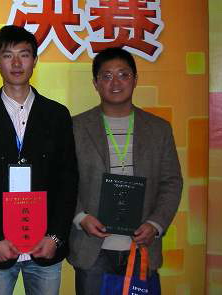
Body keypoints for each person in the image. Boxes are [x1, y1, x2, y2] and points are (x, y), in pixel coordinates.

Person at [0, 25, 78, 295]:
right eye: (8, 55)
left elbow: (68, 180)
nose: (16, 63)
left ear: (35, 60)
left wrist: (55, 237)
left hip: (45, 247)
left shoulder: (57, 115)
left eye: (24, 55)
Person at [68, 47, 183, 295]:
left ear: (135, 79)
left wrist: (156, 224)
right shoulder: (75, 127)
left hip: (142, 246)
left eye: (123, 74)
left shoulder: (159, 129)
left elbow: (172, 182)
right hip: (92, 249)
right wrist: (80, 217)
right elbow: (63, 181)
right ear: (95, 83)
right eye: (107, 76)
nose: (115, 83)